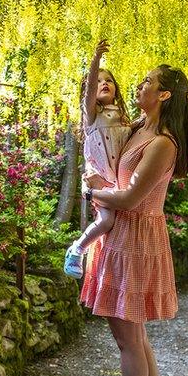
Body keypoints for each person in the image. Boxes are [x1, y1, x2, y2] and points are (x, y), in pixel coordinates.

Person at [80, 64, 188, 376]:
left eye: (147, 82)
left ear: (164, 95)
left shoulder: (163, 142)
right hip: (121, 236)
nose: (139, 85)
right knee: (137, 338)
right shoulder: (136, 130)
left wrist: (91, 193)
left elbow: (130, 197)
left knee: (128, 340)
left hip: (136, 238)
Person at [64, 39, 132, 278]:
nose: (104, 83)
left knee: (120, 225)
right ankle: (77, 249)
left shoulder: (123, 117)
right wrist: (95, 61)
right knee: (106, 221)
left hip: (121, 181)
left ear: (116, 89)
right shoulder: (92, 115)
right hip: (100, 179)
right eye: (99, 81)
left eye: (109, 80)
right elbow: (91, 84)